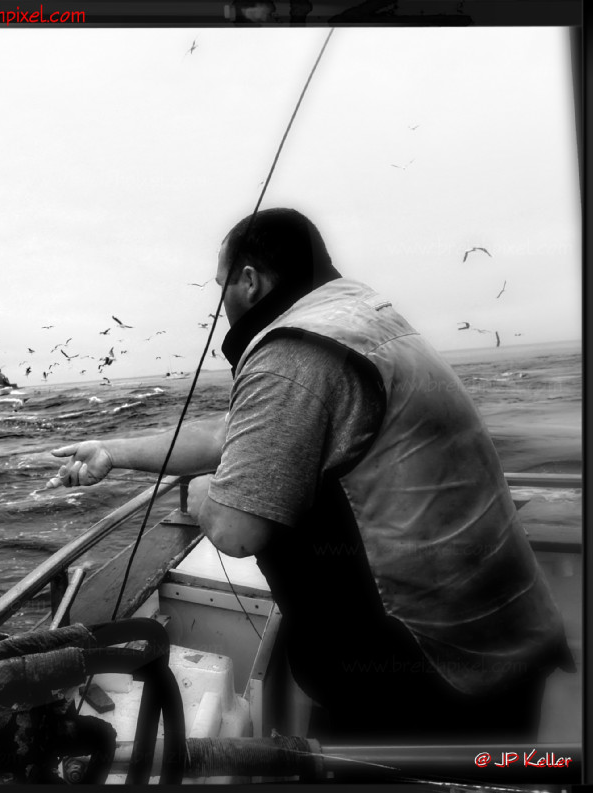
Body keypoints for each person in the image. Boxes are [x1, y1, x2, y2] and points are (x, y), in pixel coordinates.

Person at [46, 208, 573, 743]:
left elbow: (236, 529)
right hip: (505, 638)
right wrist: (112, 451)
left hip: (429, 674)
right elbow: (227, 433)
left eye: (221, 286)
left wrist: (207, 492)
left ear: (248, 280)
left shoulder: (293, 350)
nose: (220, 304)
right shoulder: (361, 319)